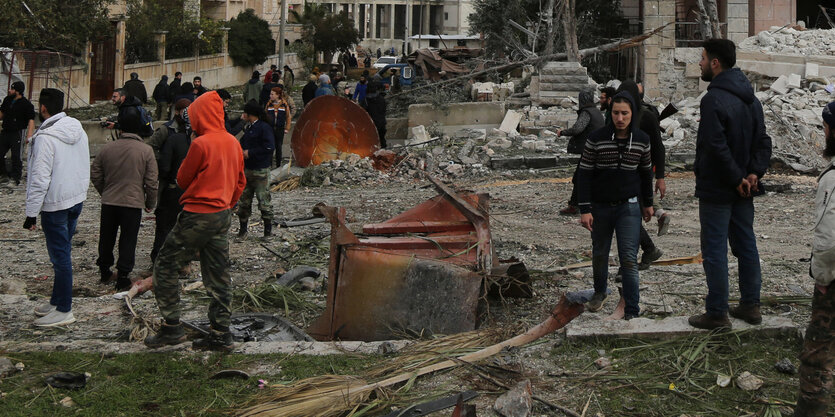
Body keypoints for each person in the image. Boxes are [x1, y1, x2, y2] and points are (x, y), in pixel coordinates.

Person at [144, 91, 246, 351]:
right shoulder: (233, 142)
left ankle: (171, 327)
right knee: (218, 273)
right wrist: (228, 203)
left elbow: (182, 180)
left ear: (201, 115)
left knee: (165, 265)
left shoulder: (201, 144)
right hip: (222, 214)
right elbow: (240, 182)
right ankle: (221, 333)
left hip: (198, 213)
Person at [688, 38, 772, 330]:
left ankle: (717, 312)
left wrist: (738, 177)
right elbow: (763, 141)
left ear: (715, 63)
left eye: (702, 58)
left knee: (714, 250)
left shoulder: (712, 99)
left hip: (718, 188)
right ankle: (751, 305)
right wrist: (753, 174)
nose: (699, 63)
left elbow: (715, 144)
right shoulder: (751, 99)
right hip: (743, 188)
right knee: (746, 244)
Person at [576, 92, 654, 320]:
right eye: (616, 113)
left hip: (628, 208)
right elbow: (584, 173)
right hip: (600, 207)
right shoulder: (597, 138)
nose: (620, 118)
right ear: (610, 113)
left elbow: (645, 172)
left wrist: (648, 204)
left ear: (633, 114)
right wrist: (585, 208)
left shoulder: (641, 140)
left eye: (625, 113)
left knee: (628, 258)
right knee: (600, 253)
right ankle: (599, 292)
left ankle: (631, 310)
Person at [24, 88, 89, 327]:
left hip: (55, 205)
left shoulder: (45, 139)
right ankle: (56, 300)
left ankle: (64, 309)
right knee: (63, 254)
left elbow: (39, 180)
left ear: (43, 108)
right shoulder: (76, 128)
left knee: (60, 258)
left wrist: (31, 214)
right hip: (75, 200)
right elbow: (84, 162)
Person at [91, 104, 158, 291]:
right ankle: (123, 276)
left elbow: (95, 173)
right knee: (128, 239)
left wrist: (105, 191)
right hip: (133, 202)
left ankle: (104, 270)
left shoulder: (107, 148)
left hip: (110, 201)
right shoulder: (146, 151)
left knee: (106, 237)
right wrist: (150, 202)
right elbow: (152, 181)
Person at [796, 102, 835, 416]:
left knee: (817, 353)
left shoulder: (832, 180)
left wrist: (822, 279)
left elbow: (828, 238)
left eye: (825, 128)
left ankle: (812, 410)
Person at [615, 80, 665, 272]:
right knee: (627, 215)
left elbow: (658, 148)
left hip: (641, 172)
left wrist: (659, 176)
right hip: (621, 174)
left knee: (629, 215)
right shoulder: (617, 115)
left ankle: (628, 265)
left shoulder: (646, 117)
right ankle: (647, 250)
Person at [150, 99, 192, 263]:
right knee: (165, 220)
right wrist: (161, 164)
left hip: (186, 185)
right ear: (177, 112)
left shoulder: (193, 132)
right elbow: (152, 147)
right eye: (185, 111)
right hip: (168, 182)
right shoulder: (167, 130)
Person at [558, 89, 605, 216]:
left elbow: (578, 129)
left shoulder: (587, 112)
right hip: (598, 149)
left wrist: (563, 132)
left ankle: (575, 205)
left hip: (590, 151)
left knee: (580, 177)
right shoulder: (596, 112)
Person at [238, 100, 276, 238]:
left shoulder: (264, 128)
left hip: (260, 171)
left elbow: (269, 147)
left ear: (250, 114)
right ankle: (243, 231)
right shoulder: (249, 128)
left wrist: (250, 152)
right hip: (247, 170)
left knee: (264, 202)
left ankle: (267, 232)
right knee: (244, 203)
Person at [0, 81, 35, 185]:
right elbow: (1, 114)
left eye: (12, 89)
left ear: (18, 91)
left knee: (16, 155)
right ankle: (3, 174)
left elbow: (31, 120)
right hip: (6, 131)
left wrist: (29, 135)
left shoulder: (26, 104)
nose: (9, 90)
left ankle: (16, 177)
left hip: (17, 132)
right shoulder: (7, 100)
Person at [265, 87, 292, 166]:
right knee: (270, 146)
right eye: (270, 94)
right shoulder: (269, 104)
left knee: (279, 147)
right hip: (270, 128)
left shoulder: (284, 104)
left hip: (280, 129)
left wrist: (287, 128)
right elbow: (264, 115)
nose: (270, 96)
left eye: (272, 94)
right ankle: (269, 164)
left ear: (278, 95)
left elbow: (288, 117)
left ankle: (278, 164)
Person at [365, 80, 387, 148]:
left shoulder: (365, 100)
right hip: (381, 123)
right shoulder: (381, 99)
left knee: (371, 142)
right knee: (381, 139)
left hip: (371, 124)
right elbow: (384, 110)